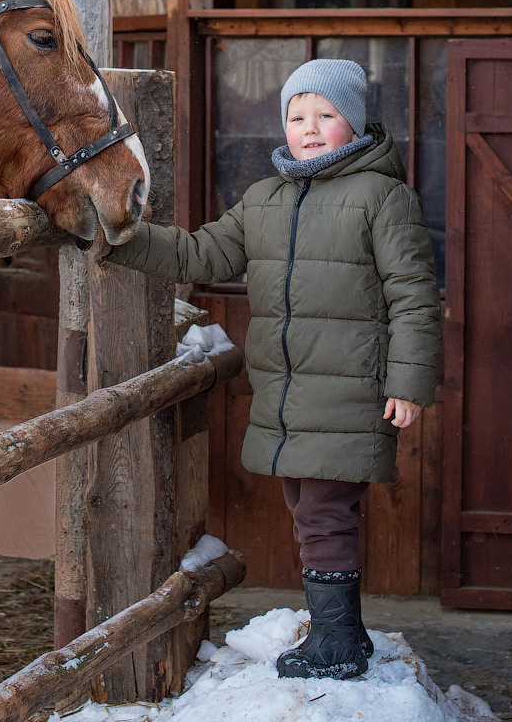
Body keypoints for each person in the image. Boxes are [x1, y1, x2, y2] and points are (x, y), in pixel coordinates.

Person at [100, 59, 439, 681]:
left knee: (325, 515)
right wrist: (114, 237)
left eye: (326, 115)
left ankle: (337, 642)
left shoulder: (382, 198)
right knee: (310, 510)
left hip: (350, 390)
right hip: (288, 394)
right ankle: (343, 635)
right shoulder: (266, 199)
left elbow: (413, 295)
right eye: (296, 115)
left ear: (355, 123)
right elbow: (199, 252)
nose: (308, 128)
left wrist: (408, 384)